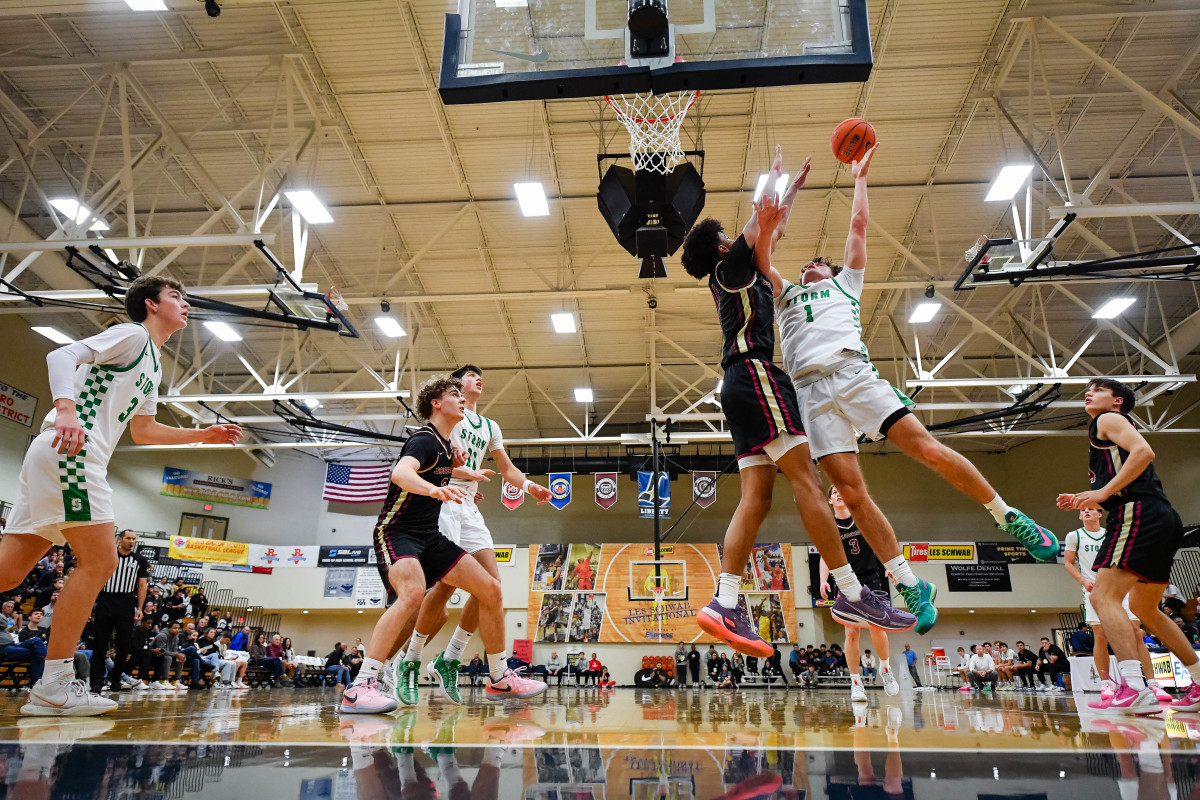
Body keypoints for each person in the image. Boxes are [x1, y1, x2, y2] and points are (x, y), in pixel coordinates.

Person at [766, 146, 1060, 634]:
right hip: (810, 394)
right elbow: (766, 249)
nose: (812, 264)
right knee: (851, 495)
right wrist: (788, 191)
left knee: (926, 448)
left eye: (821, 261)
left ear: (835, 272)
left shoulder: (846, 286)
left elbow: (857, 227)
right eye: (808, 263)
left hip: (853, 375)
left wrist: (860, 178)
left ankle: (1009, 516)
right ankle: (907, 583)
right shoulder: (785, 297)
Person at [680, 147, 915, 658]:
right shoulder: (733, 266)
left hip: (736, 386)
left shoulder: (735, 273)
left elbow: (772, 226)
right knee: (807, 480)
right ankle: (854, 593)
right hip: (758, 374)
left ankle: (725, 602)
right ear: (721, 247)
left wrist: (793, 190)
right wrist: (776, 187)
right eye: (727, 238)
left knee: (756, 499)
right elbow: (762, 223)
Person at [0, 281, 241, 717]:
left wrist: (200, 435)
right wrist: (67, 409)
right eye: (175, 298)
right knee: (101, 563)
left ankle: (54, 683)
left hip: (56, 452)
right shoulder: (132, 335)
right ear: (150, 305)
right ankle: (54, 683)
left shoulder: (154, 361)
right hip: (73, 449)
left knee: (8, 572)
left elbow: (143, 430)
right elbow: (61, 355)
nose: (185, 305)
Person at [340, 375, 545, 714]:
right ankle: (361, 685)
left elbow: (450, 469)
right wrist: (434, 489)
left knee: (491, 589)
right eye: (454, 394)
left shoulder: (450, 446)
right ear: (436, 403)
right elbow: (401, 474)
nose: (461, 399)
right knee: (414, 594)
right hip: (398, 531)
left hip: (429, 537)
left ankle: (498, 677)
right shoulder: (424, 439)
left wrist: (465, 476)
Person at [1057, 377, 1200, 714]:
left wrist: (1103, 494)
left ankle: (1135, 687)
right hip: (1161, 516)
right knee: (1146, 608)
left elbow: (1144, 452)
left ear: (1117, 401)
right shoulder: (1107, 439)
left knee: (1102, 596)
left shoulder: (1105, 420)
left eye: (1099, 389)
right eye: (1088, 389)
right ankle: (1196, 678)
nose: (1089, 393)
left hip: (1140, 514)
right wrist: (1088, 497)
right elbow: (1126, 478)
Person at [1064, 506, 1169, 705]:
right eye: (1083, 510)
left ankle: (1153, 683)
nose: (1086, 512)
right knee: (1100, 634)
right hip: (1094, 590)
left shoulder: (1110, 535)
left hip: (1120, 587)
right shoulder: (1074, 535)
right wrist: (1084, 582)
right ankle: (1106, 683)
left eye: (1091, 509)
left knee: (1136, 633)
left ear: (1099, 514)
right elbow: (1069, 563)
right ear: (1079, 515)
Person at [818, 486, 901, 701]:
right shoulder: (828, 527)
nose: (838, 494)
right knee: (852, 633)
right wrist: (823, 580)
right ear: (830, 501)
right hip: (846, 582)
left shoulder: (862, 519)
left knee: (877, 625)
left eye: (840, 490)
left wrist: (889, 564)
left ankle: (885, 668)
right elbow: (825, 556)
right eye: (833, 492)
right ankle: (856, 683)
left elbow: (879, 543)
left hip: (870, 578)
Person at [88, 529, 150, 695]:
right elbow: (96, 579)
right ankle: (96, 681)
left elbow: (142, 585)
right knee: (100, 643)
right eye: (128, 538)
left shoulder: (139, 560)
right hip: (106, 600)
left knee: (123, 644)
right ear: (120, 539)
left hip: (126, 602)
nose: (131, 541)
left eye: (134, 539)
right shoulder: (108, 556)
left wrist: (140, 608)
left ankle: (116, 679)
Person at [149, 620, 187, 691]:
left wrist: (178, 655)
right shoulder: (162, 636)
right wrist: (176, 654)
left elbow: (175, 651)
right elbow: (161, 651)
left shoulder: (176, 637)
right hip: (154, 656)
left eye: (178, 628)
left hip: (167, 656)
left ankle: (176, 681)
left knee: (180, 658)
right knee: (168, 657)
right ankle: (164, 680)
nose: (177, 630)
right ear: (169, 628)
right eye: (175, 628)